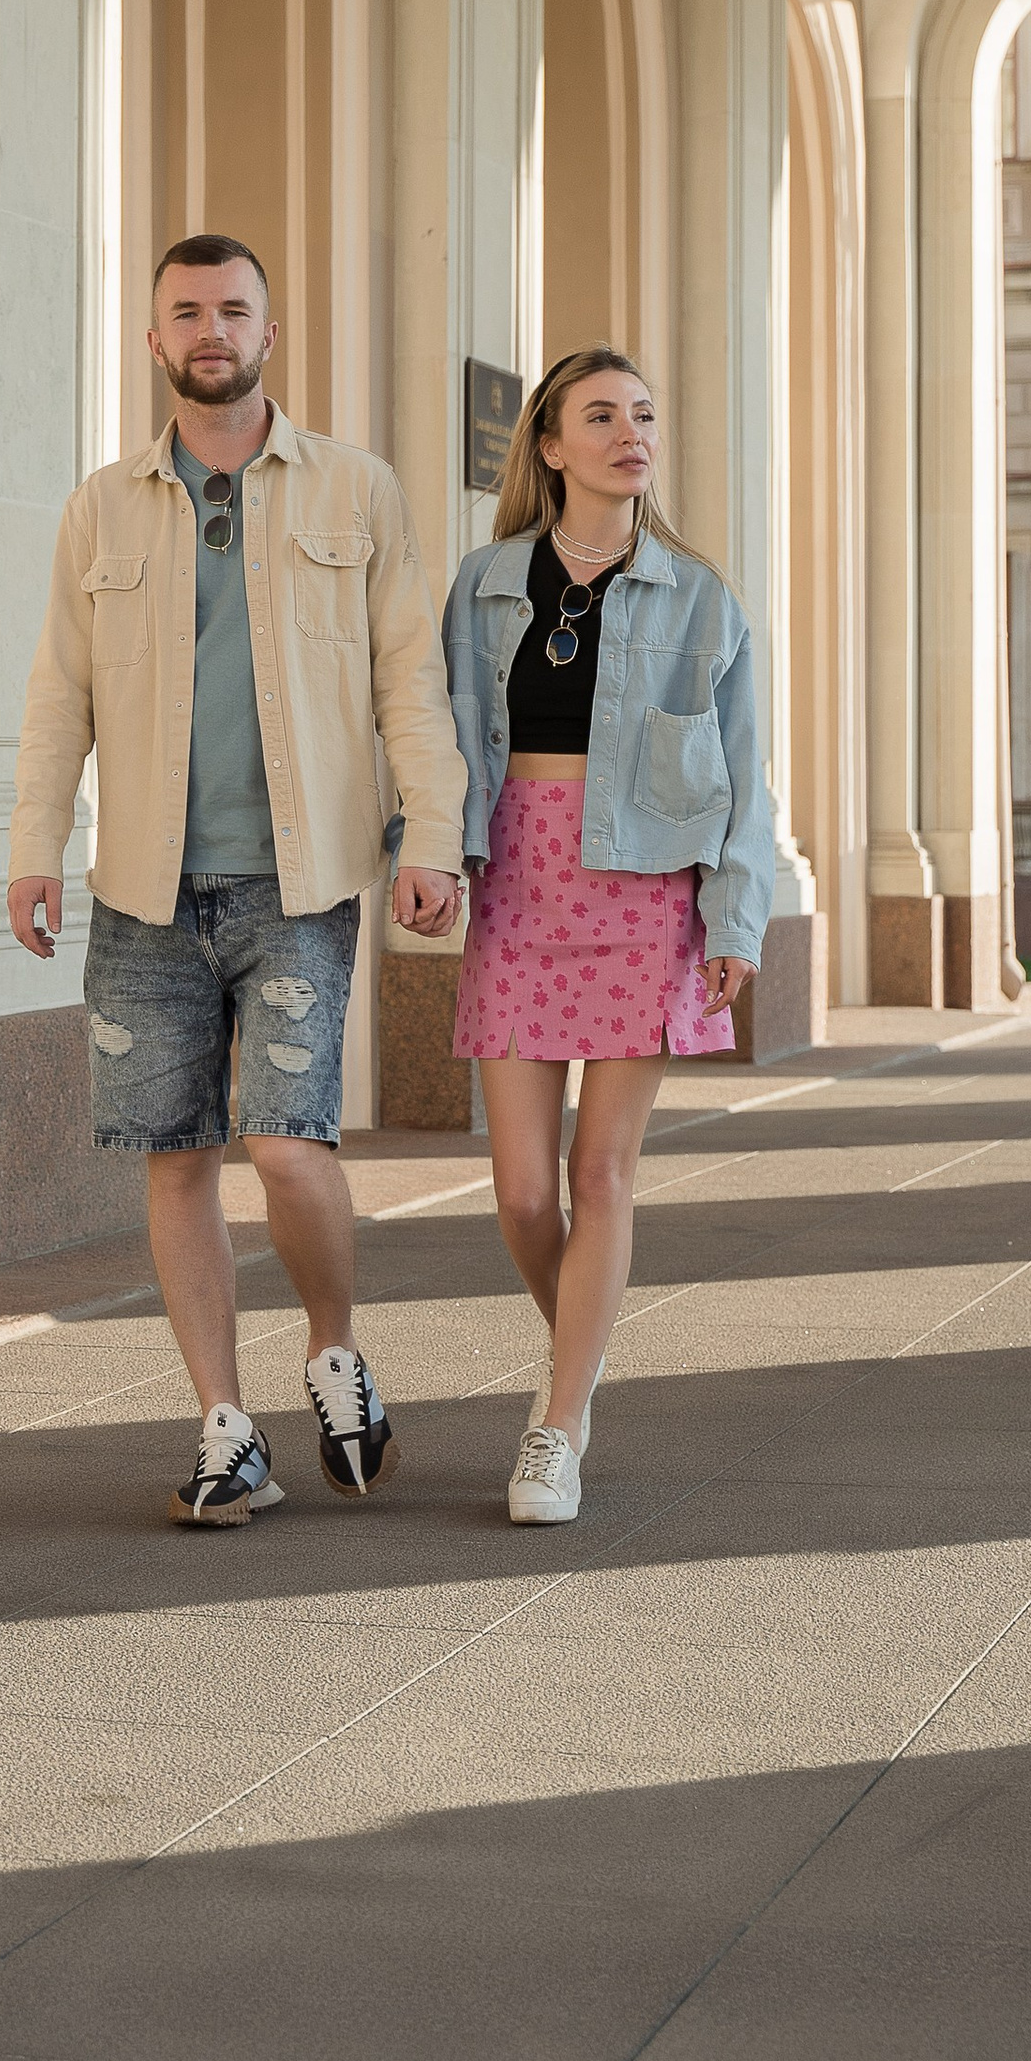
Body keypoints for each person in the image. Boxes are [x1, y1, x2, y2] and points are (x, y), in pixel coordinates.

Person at [9, 236, 468, 1526]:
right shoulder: (101, 506)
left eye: (232, 309)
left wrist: (431, 833)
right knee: (174, 1160)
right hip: (142, 891)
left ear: (270, 331)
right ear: (155, 339)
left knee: (285, 1148)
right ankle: (223, 1423)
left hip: (296, 884)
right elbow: (58, 694)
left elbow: (408, 677)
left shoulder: (354, 490)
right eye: (186, 311)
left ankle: (333, 1352)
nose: (210, 329)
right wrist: (35, 845)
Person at [441, 348, 772, 1528]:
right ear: (549, 447)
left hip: (645, 891)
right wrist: (425, 852)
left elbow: (743, 778)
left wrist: (735, 919)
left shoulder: (700, 596)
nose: (631, 433)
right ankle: (577, 1353)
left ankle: (559, 1422)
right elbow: (439, 736)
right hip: (519, 884)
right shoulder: (486, 583)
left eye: (642, 414)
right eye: (601, 416)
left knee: (601, 1176)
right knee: (524, 1195)